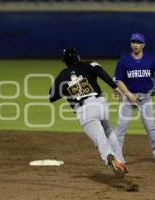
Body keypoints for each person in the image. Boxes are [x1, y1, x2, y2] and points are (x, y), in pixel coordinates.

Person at [49, 48, 128, 177]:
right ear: (78, 57)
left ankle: (111, 159)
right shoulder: (89, 64)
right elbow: (102, 73)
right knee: (108, 131)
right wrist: (115, 88)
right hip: (100, 104)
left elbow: (52, 96)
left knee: (100, 139)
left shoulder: (63, 75)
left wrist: (69, 87)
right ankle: (121, 161)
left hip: (85, 110)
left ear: (65, 61)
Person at [114, 33, 155, 167]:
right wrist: (128, 94)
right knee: (120, 128)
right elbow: (118, 80)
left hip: (145, 98)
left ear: (143, 45)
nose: (135, 45)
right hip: (128, 98)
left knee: (151, 127)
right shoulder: (124, 60)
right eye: (133, 42)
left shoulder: (151, 60)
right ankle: (117, 158)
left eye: (138, 42)